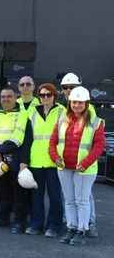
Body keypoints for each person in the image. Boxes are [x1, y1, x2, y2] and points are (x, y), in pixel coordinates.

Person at [50, 86, 106, 246]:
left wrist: (86, 163)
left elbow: (99, 146)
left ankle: (82, 229)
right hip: (64, 167)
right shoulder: (62, 119)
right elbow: (53, 142)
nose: (77, 105)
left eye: (80, 102)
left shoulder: (96, 122)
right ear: (70, 103)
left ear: (86, 103)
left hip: (85, 169)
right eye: (74, 102)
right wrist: (55, 158)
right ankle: (71, 228)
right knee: (69, 200)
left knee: (82, 201)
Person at [19, 83, 64, 237]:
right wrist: (24, 161)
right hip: (36, 160)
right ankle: (36, 224)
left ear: (54, 96)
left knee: (55, 196)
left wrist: (61, 157)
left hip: (54, 161)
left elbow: (65, 137)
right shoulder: (32, 112)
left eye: (48, 95)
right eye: (42, 95)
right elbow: (27, 138)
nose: (45, 98)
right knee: (36, 196)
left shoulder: (62, 112)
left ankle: (54, 226)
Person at [0, 88, 29, 233]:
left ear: (16, 98)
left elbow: (18, 137)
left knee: (18, 191)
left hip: (13, 156)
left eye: (9, 96)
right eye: (3, 97)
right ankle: (3, 218)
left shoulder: (22, 114)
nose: (5, 99)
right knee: (2, 189)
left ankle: (19, 222)